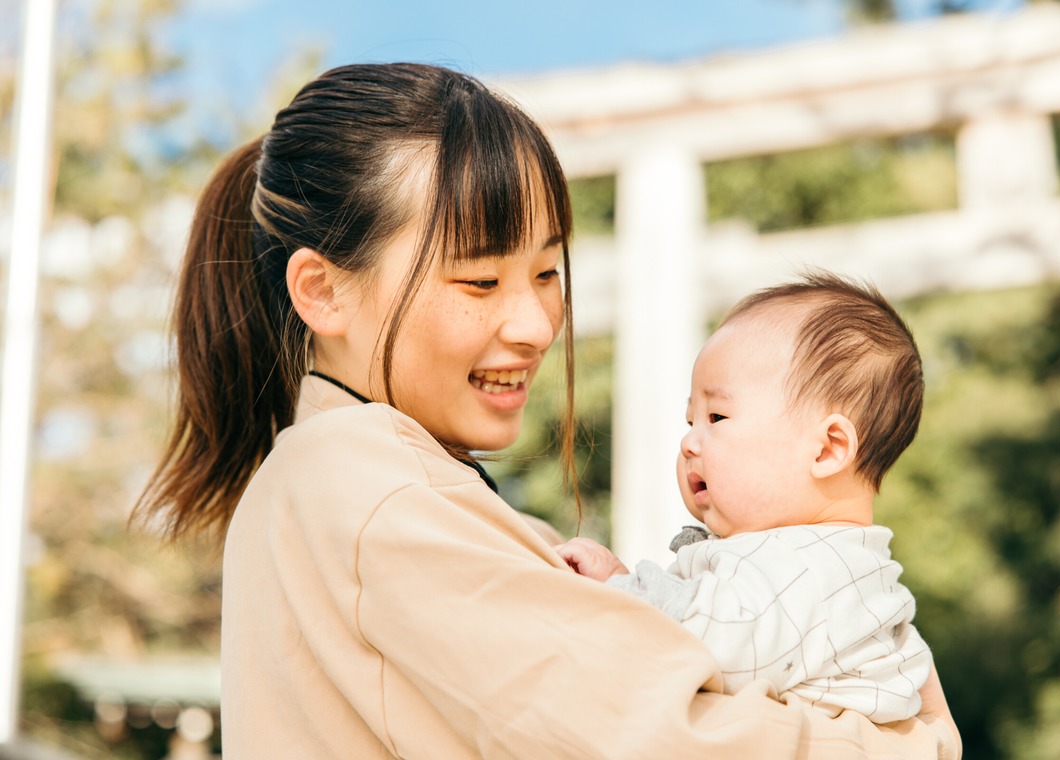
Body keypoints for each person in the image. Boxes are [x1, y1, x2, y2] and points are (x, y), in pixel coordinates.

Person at [134, 63, 960, 758]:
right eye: (480, 281)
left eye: (547, 273)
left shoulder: (366, 482)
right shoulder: (366, 486)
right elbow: (666, 740)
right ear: (324, 290)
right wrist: (917, 740)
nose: (533, 325)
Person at [557, 273, 934, 725]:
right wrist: (621, 580)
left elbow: (712, 647)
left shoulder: (810, 570)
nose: (689, 443)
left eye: (716, 416)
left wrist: (622, 593)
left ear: (827, 448)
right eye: (690, 420)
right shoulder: (812, 563)